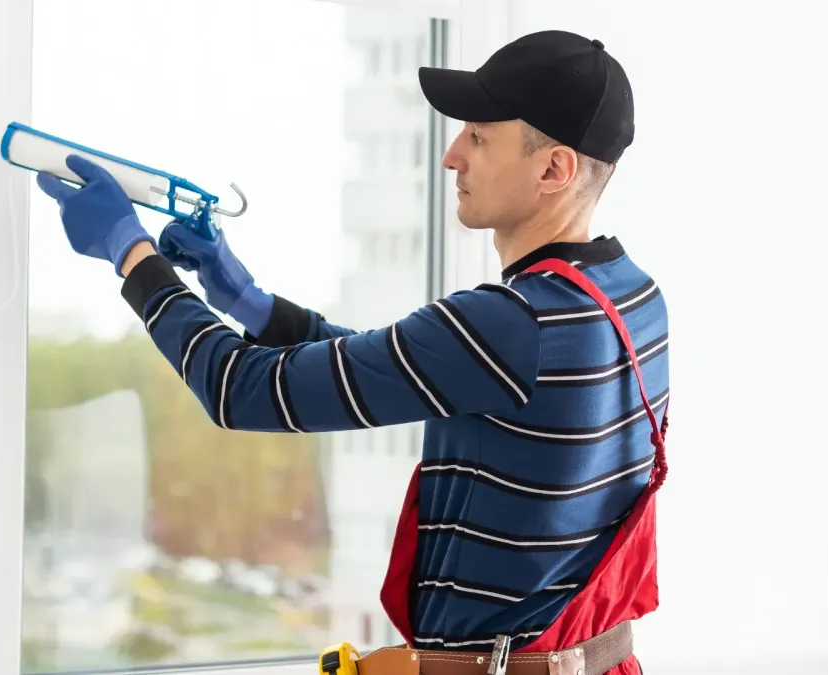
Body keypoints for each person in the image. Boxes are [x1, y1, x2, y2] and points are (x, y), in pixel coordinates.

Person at [37, 29, 669, 675]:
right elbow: (392, 365)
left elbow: (237, 388)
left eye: (479, 136)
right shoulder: (629, 298)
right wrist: (251, 302)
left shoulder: (511, 324)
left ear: (554, 169)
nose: (452, 155)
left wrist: (130, 254)